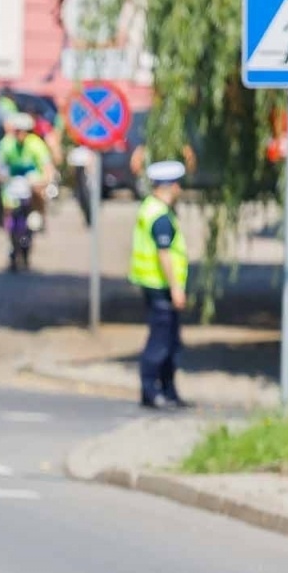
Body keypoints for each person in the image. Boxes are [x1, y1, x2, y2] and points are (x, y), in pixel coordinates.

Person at [129, 161, 191, 410]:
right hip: (161, 287)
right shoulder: (160, 216)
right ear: (171, 186)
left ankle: (168, 390)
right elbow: (164, 254)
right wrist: (176, 287)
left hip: (153, 285)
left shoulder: (151, 207)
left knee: (170, 340)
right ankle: (151, 390)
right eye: (178, 185)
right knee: (161, 342)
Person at [0, 111, 55, 230]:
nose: (20, 134)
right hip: (12, 181)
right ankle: (9, 226)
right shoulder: (6, 144)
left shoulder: (36, 144)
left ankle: (39, 213)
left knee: (35, 185)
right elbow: (0, 166)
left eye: (23, 130)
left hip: (32, 180)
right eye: (17, 130)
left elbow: (47, 167)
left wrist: (45, 180)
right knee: (7, 201)